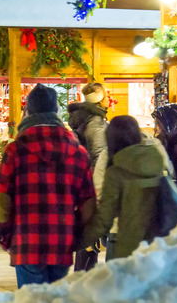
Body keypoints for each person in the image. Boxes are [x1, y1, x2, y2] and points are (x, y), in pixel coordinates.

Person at [0, 84, 96, 288]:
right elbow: (88, 203)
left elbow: (1, 200)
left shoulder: (15, 150)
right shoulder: (77, 152)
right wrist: (78, 237)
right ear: (56, 111)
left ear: (28, 111)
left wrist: (4, 235)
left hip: (26, 242)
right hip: (61, 244)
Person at [81, 115, 173, 260]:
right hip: (157, 237)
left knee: (121, 280)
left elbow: (103, 205)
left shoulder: (110, 162)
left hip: (121, 238)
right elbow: (170, 177)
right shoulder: (156, 151)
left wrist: (82, 240)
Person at [67, 82, 109, 271]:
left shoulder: (83, 119)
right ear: (101, 100)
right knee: (90, 239)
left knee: (88, 237)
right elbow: (99, 158)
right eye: (106, 95)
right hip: (93, 186)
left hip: (83, 184)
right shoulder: (96, 124)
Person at [152, 103, 177, 197]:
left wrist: (169, 191)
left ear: (170, 124)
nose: (155, 129)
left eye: (158, 124)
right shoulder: (173, 141)